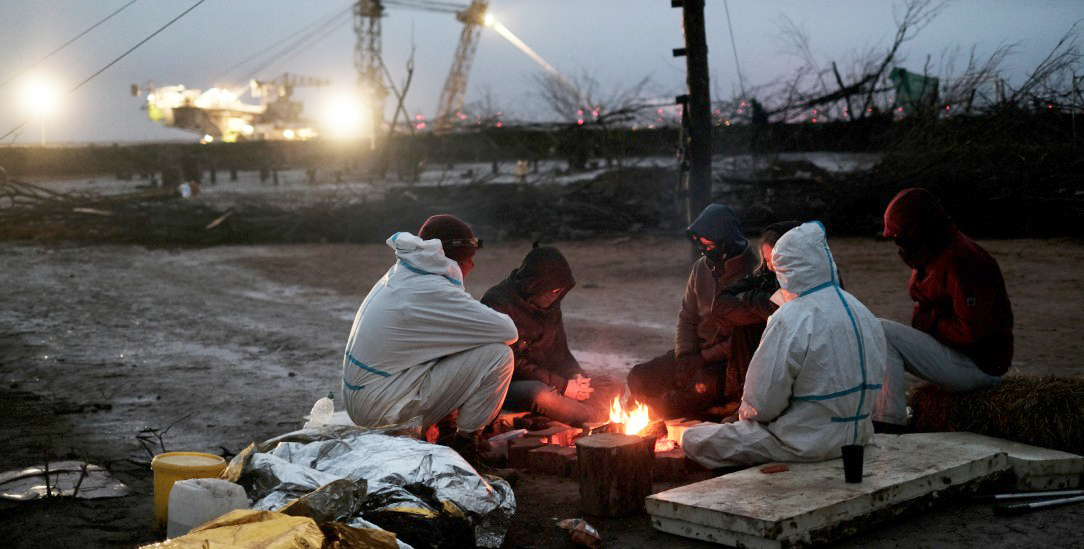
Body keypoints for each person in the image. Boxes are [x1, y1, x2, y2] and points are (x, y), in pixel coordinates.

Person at [682, 222, 887, 468]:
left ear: (786, 269)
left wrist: (746, 418)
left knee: (692, 438)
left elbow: (762, 405)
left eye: (774, 266)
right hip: (858, 436)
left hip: (804, 443)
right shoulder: (861, 310)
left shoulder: (790, 318)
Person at [341, 214, 519, 454]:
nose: (473, 266)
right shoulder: (431, 289)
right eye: (470, 258)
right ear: (456, 258)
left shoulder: (404, 274)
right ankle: (467, 451)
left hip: (368, 399)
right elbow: (508, 331)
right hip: (381, 410)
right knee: (499, 355)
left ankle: (445, 433)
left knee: (459, 347)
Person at [872, 188, 1014, 428]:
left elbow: (974, 332)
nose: (897, 244)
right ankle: (884, 417)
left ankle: (889, 423)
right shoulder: (936, 251)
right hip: (965, 357)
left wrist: (929, 321)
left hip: (980, 367)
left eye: (900, 237)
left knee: (881, 332)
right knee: (878, 331)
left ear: (918, 231)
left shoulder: (962, 260)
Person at [626, 204, 775, 420]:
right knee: (638, 377)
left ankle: (669, 408)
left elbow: (743, 339)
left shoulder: (754, 273)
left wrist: (702, 359)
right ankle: (660, 405)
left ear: (727, 241)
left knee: (686, 396)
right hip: (695, 354)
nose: (705, 251)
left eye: (710, 245)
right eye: (701, 246)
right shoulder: (701, 268)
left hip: (729, 364)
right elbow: (687, 317)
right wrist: (684, 355)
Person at [481, 244, 623, 427]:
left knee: (613, 384)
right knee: (541, 396)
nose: (556, 296)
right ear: (534, 285)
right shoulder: (497, 303)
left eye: (560, 292)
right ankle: (597, 419)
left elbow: (560, 353)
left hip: (553, 381)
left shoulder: (551, 306)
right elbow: (509, 363)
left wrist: (575, 376)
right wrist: (563, 386)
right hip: (510, 384)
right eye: (552, 291)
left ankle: (568, 414)